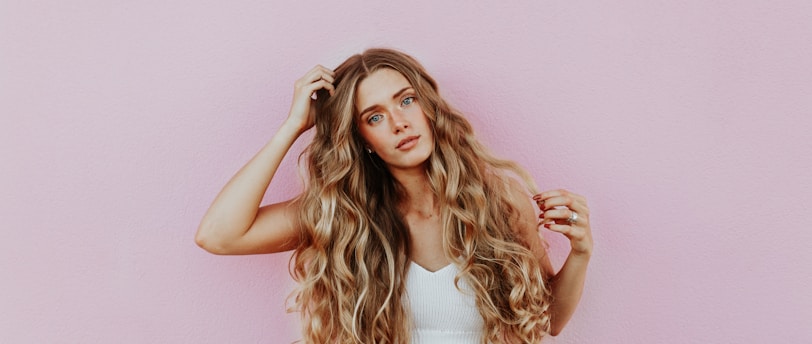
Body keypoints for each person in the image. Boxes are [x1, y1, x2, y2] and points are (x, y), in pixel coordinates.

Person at [196, 48, 592, 343]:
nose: (399, 123)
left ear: (428, 107)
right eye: (375, 116)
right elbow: (219, 235)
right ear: (362, 139)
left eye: (406, 100)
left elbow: (549, 320)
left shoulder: (498, 201)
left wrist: (580, 254)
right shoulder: (344, 215)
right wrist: (294, 125)